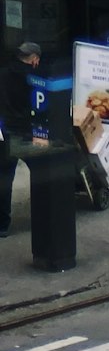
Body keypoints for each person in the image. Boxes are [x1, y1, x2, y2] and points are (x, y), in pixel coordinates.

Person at [0, 40, 40, 237]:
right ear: (34, 60)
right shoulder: (33, 78)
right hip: (24, 133)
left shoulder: (4, 73)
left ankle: (2, 224)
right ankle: (45, 214)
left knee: (4, 178)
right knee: (43, 171)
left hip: (4, 132)